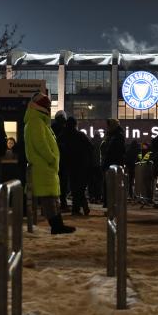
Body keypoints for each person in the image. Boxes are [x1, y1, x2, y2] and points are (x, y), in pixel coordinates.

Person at [24, 93, 76, 234]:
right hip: (44, 165)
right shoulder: (36, 122)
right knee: (49, 198)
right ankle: (56, 226)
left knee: (51, 197)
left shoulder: (38, 121)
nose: (49, 108)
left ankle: (57, 224)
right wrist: (51, 158)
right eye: (47, 105)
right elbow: (40, 144)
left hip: (45, 166)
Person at [59, 116, 93, 215]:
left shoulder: (63, 136)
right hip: (82, 164)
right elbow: (90, 147)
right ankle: (79, 207)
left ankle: (77, 208)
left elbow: (58, 147)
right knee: (80, 187)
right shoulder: (80, 135)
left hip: (69, 164)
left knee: (75, 187)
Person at [100, 118, 126, 208]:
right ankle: (109, 203)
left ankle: (112, 205)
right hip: (110, 164)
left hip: (113, 165)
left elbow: (111, 152)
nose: (107, 127)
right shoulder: (112, 136)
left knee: (112, 186)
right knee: (108, 185)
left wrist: (105, 163)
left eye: (109, 125)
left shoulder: (117, 137)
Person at [52, 110, 70, 210]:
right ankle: (63, 202)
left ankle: (56, 202)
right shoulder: (66, 129)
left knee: (56, 181)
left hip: (55, 159)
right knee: (63, 182)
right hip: (64, 160)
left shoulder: (52, 128)